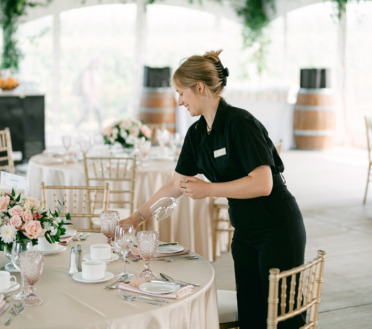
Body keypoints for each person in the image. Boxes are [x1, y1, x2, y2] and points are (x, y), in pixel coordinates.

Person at [121, 50, 306, 328]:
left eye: (181, 92)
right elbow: (175, 184)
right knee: (251, 314)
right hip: (244, 233)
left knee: (283, 318)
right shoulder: (197, 134)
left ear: (200, 87)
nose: (179, 101)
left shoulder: (240, 123)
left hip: (277, 228)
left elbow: (263, 183)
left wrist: (209, 189)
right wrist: (136, 218)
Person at [74, 58, 103, 129]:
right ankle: (76, 126)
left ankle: (101, 129)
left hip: (94, 97)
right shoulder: (88, 72)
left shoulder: (95, 72)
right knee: (85, 115)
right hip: (89, 98)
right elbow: (86, 87)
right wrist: (91, 98)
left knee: (99, 113)